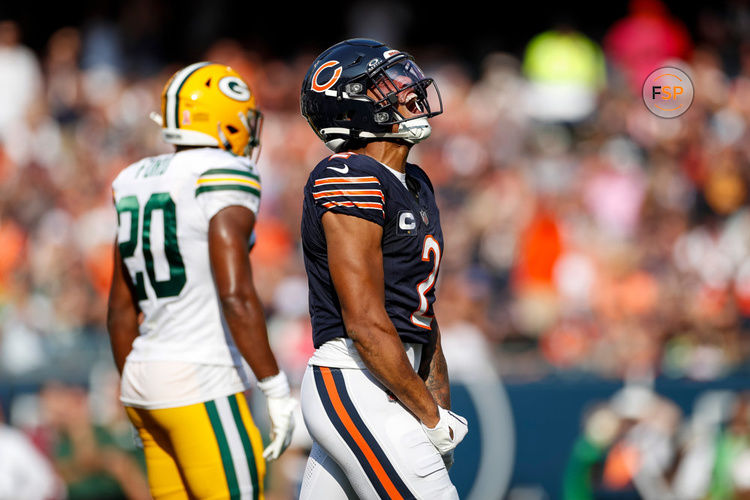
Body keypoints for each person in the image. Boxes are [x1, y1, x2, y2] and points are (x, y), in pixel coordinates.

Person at [106, 62, 297, 500]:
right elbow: (235, 294)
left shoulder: (132, 179)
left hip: (141, 379)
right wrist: (275, 385)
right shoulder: (223, 173)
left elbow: (119, 308)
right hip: (201, 376)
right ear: (223, 118)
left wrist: (134, 389)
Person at [297, 39, 469, 499]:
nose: (411, 91)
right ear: (351, 108)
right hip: (358, 379)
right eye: (388, 85)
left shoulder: (414, 181)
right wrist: (431, 418)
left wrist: (437, 404)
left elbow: (422, 318)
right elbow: (367, 325)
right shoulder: (348, 175)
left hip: (391, 380)